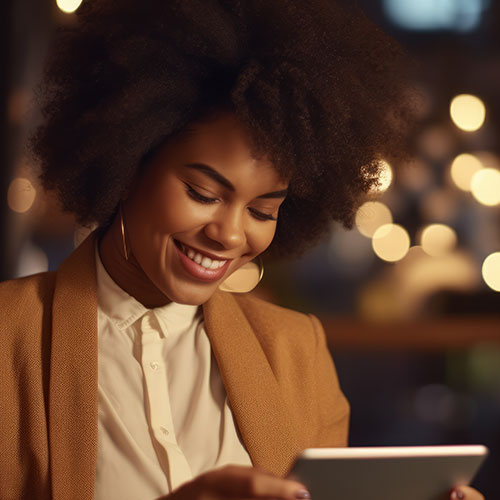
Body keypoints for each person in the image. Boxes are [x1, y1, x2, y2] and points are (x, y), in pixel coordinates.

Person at [0, 1, 484, 499]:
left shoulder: (296, 350)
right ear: (127, 168)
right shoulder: (9, 338)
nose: (230, 236)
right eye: (203, 195)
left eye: (262, 211)